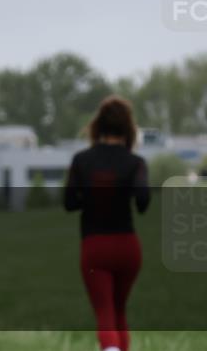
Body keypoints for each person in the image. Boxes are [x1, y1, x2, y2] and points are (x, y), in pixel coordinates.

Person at [65, 96, 150, 351]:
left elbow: (69, 202)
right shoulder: (136, 163)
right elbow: (143, 202)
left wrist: (93, 196)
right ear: (128, 129)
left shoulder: (81, 160)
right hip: (128, 248)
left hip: (95, 247)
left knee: (105, 312)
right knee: (119, 311)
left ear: (98, 126)